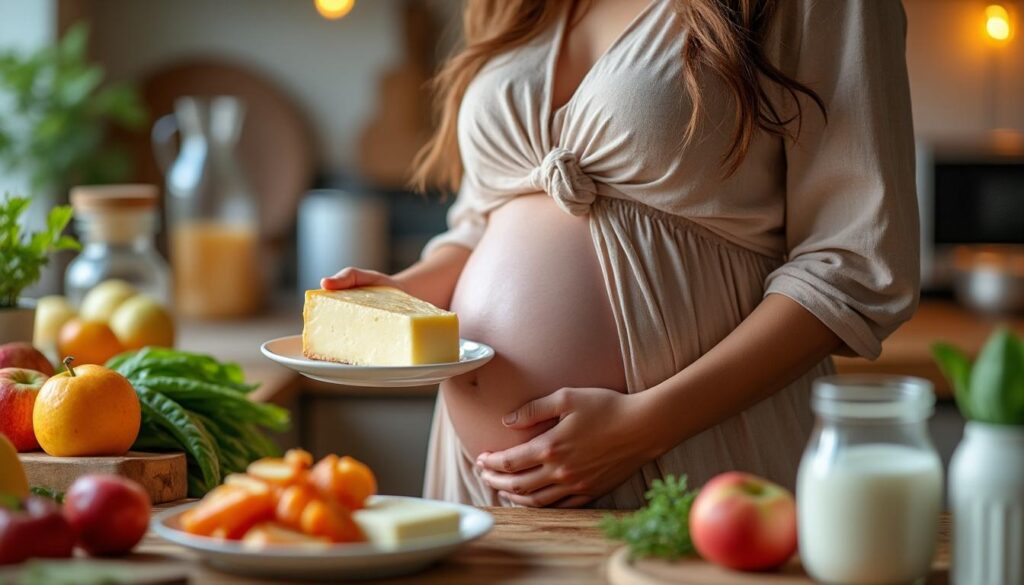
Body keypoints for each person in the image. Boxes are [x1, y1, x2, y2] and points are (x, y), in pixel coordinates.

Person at [323, 0, 918, 509]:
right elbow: (483, 222)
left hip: (692, 458)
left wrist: (647, 428)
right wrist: (402, 295)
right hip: (476, 485)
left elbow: (852, 263)